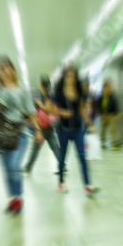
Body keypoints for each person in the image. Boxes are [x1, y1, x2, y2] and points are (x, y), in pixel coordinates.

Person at [0, 56, 42, 214]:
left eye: (7, 67)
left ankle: (19, 197)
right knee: (6, 168)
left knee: (14, 166)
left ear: (13, 70)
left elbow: (32, 113)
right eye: (1, 68)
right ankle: (12, 199)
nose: (4, 71)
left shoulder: (23, 90)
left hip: (20, 133)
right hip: (2, 134)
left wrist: (38, 130)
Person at [51, 65, 98, 194]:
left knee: (82, 157)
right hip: (63, 130)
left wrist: (91, 124)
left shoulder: (80, 92)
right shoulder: (58, 92)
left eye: (73, 76)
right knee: (62, 157)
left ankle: (87, 185)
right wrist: (62, 112)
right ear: (64, 77)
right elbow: (49, 108)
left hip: (78, 129)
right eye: (68, 76)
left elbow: (82, 110)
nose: (70, 78)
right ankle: (61, 182)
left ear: (76, 77)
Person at [24, 75, 61, 175]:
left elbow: (33, 112)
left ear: (41, 85)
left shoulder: (38, 96)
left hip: (40, 127)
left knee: (35, 149)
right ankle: (62, 165)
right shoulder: (52, 96)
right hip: (50, 125)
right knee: (55, 147)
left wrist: (39, 105)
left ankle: (28, 167)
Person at [96, 79, 122, 149]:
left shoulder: (112, 95)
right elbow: (98, 105)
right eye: (107, 86)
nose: (108, 88)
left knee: (113, 129)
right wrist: (100, 113)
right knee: (102, 130)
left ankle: (115, 144)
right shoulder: (101, 96)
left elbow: (116, 105)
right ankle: (102, 143)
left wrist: (117, 114)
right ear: (104, 87)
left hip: (111, 115)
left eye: (109, 86)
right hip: (103, 115)